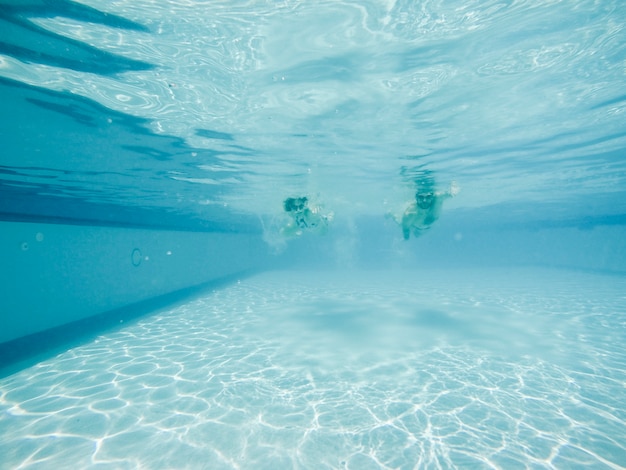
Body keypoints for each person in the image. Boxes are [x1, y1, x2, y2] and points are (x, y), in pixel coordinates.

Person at [388, 180, 459, 240]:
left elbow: (451, 193)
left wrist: (454, 188)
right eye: (421, 197)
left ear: (432, 196)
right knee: (399, 221)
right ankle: (391, 214)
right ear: (416, 198)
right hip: (416, 227)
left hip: (427, 226)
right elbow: (405, 228)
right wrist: (406, 239)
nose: (424, 200)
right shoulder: (410, 213)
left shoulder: (438, 198)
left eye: (428, 197)